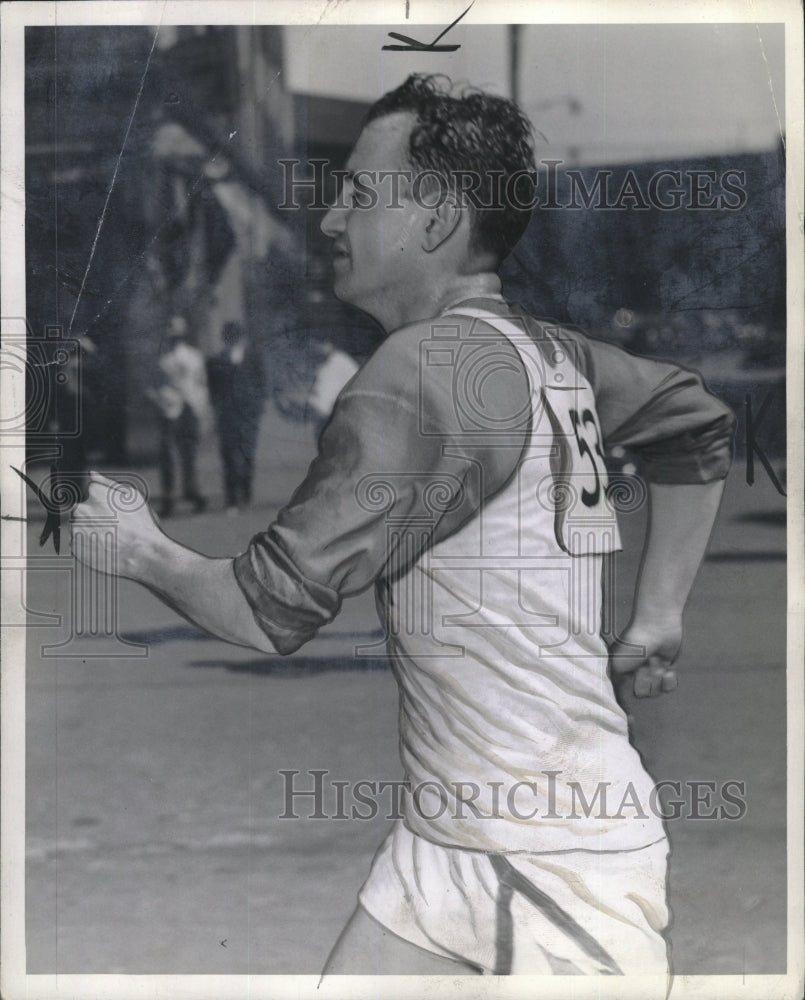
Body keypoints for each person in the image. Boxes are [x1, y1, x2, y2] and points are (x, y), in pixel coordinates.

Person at [72, 75, 734, 982]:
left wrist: (138, 548)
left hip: (543, 867)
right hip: (444, 846)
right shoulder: (548, 352)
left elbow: (265, 611)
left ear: (435, 220)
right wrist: (658, 615)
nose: (331, 218)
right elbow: (695, 425)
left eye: (357, 193)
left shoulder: (424, 369)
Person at [147, 315, 209, 517]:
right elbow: (152, 385)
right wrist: (160, 400)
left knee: (189, 453)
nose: (174, 339)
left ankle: (192, 492)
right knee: (168, 454)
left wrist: (199, 405)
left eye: (177, 334)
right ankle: (169, 497)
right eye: (171, 335)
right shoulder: (161, 359)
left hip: (190, 407)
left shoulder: (194, 356)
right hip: (169, 409)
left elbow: (201, 383)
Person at [206, 321, 266, 512]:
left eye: (236, 336)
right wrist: (217, 410)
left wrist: (256, 407)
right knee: (228, 456)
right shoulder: (216, 360)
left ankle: (246, 493)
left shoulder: (253, 357)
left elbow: (262, 384)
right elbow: (212, 390)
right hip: (227, 416)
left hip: (248, 415)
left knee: (247, 453)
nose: (232, 340)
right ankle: (231, 498)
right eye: (229, 336)